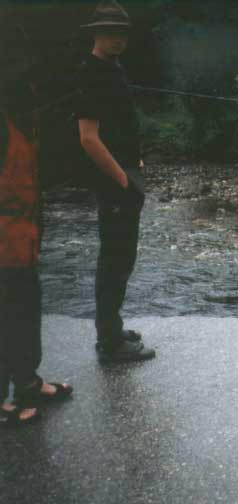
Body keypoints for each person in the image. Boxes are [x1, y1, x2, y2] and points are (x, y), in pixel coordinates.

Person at [75, 1, 155, 361]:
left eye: (121, 32)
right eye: (110, 31)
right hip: (114, 184)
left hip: (125, 177)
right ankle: (109, 343)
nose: (117, 38)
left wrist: (135, 162)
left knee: (122, 259)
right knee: (114, 260)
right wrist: (123, 179)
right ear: (95, 33)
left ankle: (112, 328)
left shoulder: (112, 68)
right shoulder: (92, 72)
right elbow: (88, 138)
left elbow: (120, 125)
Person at [0, 44, 73, 428]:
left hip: (24, 240)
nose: (35, 95)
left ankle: (27, 382)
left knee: (26, 312)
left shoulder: (26, 123)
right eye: (28, 87)